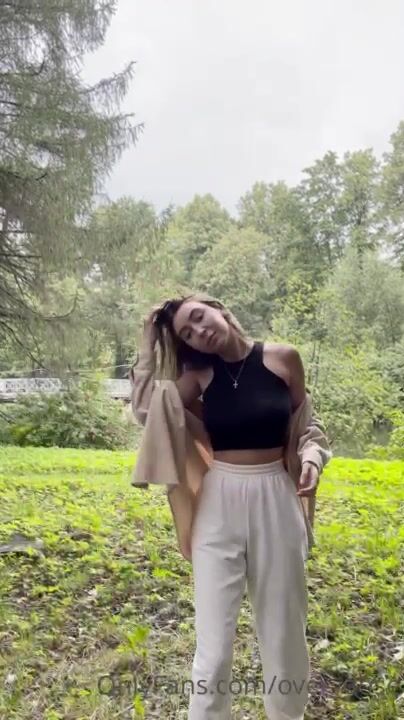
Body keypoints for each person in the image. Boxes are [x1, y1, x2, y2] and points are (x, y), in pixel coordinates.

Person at [136, 292, 332, 720]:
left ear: (218, 309)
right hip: (218, 503)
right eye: (187, 333)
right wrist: (148, 345)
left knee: (284, 634)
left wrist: (313, 459)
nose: (199, 332)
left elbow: (308, 426)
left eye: (199, 317)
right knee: (213, 648)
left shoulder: (283, 359)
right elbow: (150, 411)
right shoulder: (199, 377)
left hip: (276, 497)